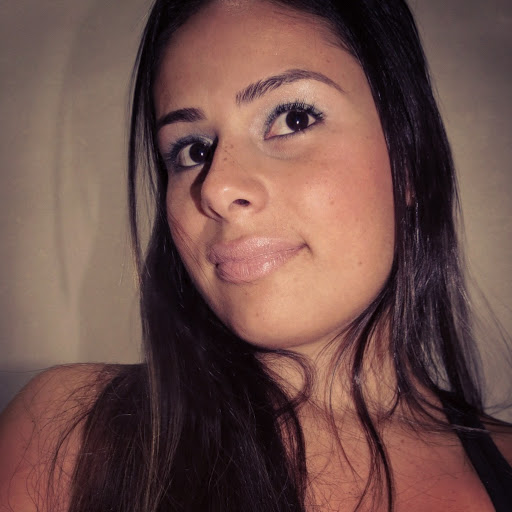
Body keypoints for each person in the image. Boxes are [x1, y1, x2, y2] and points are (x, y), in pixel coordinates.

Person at [1, 0, 511, 511]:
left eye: (293, 118)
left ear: (410, 160)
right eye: (193, 151)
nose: (216, 187)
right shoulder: (64, 442)